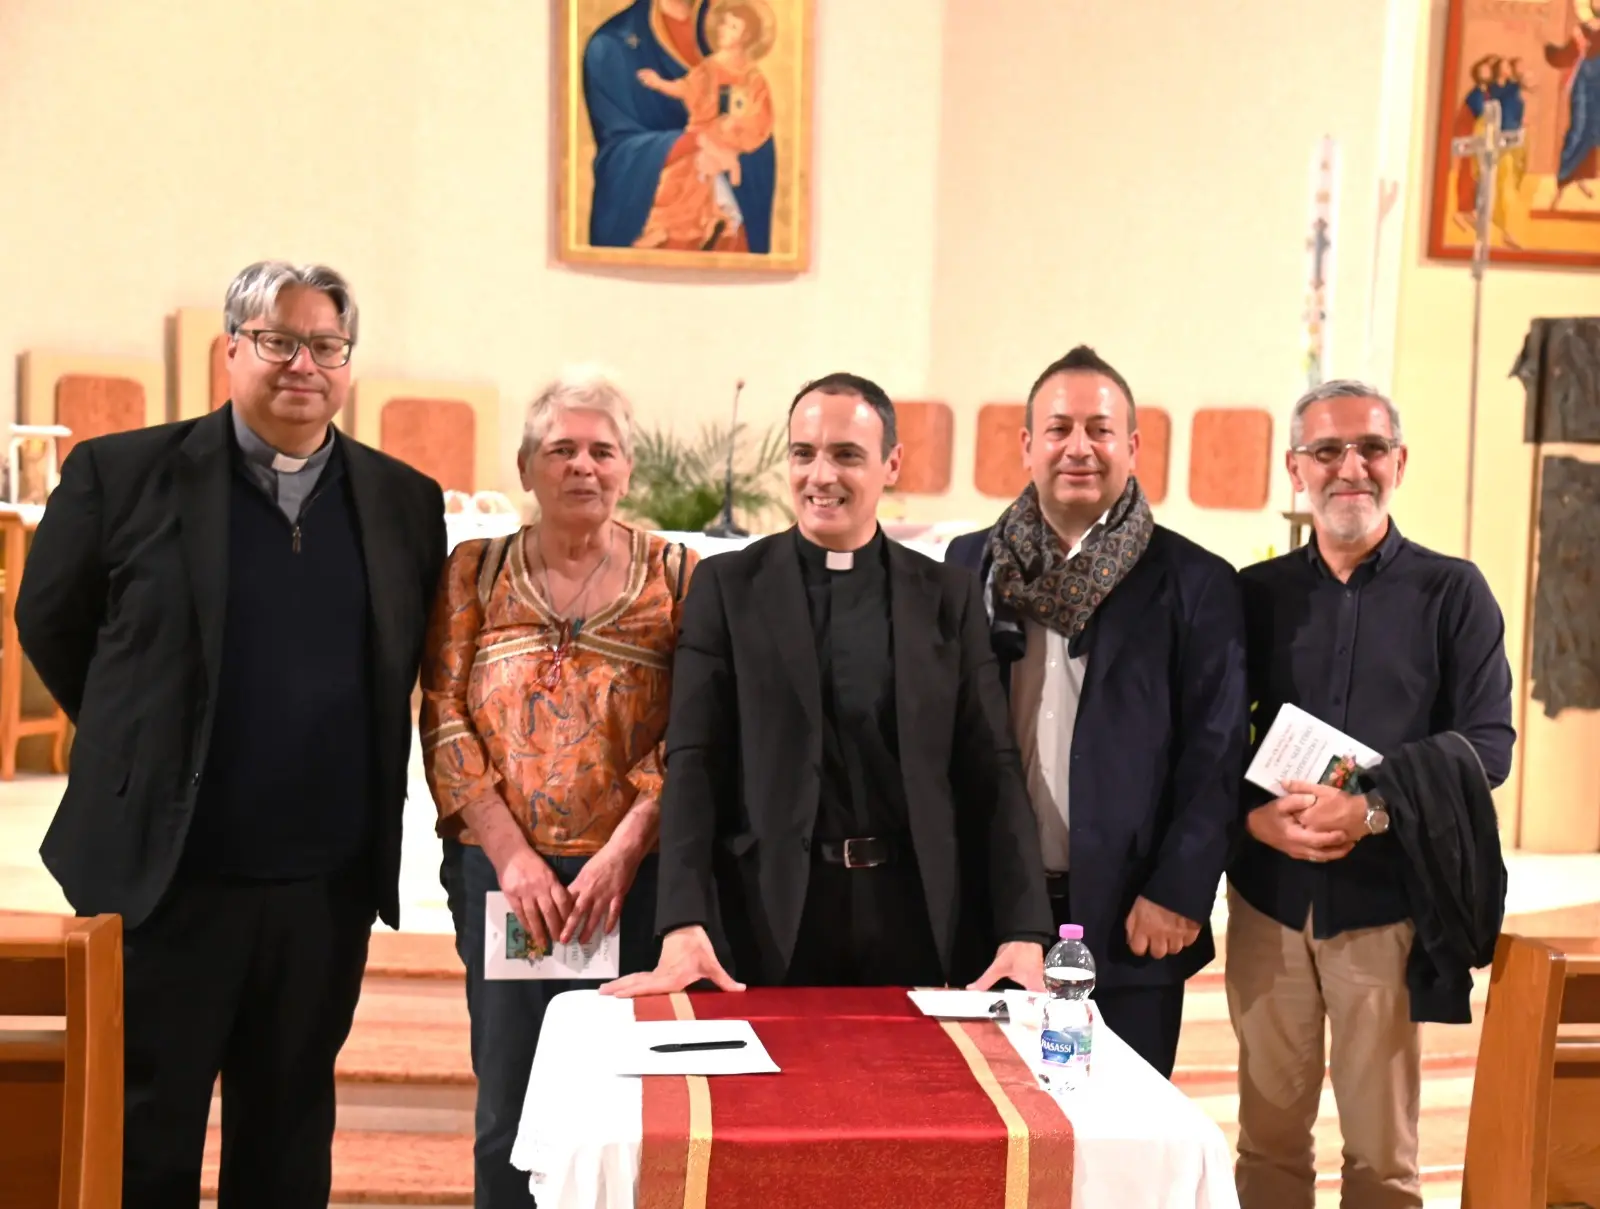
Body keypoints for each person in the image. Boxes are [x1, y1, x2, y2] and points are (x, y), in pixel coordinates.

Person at [15, 261, 447, 1208]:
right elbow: (48, 618)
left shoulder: (404, 501)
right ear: (233, 351)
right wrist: (143, 739)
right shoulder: (123, 473)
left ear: (348, 362)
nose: (305, 363)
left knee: (290, 1131)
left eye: (326, 345)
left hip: (322, 883)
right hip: (170, 873)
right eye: (280, 341)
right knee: (146, 1129)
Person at [603, 372, 1052, 999]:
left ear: (890, 463)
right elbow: (695, 762)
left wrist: (1024, 927)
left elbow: (992, 767)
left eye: (846, 455)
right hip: (771, 916)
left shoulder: (944, 596)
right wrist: (683, 919)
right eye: (803, 453)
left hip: (913, 917)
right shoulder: (730, 590)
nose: (821, 476)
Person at [1226, 379, 1515, 1209]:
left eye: (1370, 449)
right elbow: (1210, 739)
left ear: (1399, 462)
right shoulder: (1255, 594)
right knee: (1268, 1145)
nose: (1350, 466)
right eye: (1327, 450)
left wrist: (1374, 805)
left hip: (1384, 904)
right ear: (1296, 468)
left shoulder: (1453, 592)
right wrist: (1254, 821)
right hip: (1269, 899)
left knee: (1382, 1156)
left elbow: (1487, 745)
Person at [422, 371, 695, 1206]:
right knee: (511, 1100)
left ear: (627, 468)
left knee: (627, 1098)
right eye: (561, 449)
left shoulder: (676, 573)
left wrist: (622, 852)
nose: (583, 466)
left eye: (601, 450)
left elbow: (694, 730)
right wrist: (512, 857)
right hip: (508, 882)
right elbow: (442, 713)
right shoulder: (475, 570)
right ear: (526, 467)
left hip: (631, 881)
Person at [945, 345, 1248, 1078]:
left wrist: (1178, 890)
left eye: (1100, 430)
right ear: (1026, 446)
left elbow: (1216, 753)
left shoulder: (1194, 582)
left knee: (1119, 1128)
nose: (1078, 446)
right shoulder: (969, 564)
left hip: (1128, 917)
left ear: (1132, 447)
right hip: (989, 907)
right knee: (988, 1120)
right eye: (1057, 429)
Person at [582, 0, 777, 252]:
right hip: (659, 247)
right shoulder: (613, 46)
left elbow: (758, 126)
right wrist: (695, 142)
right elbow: (619, 153)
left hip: (731, 250)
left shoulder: (732, 26)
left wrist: (733, 142)